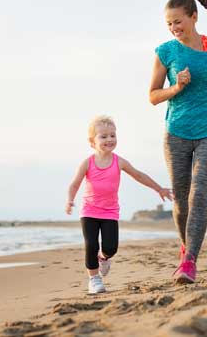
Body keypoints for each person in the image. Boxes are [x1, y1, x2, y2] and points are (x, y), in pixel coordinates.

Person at [149, 0, 207, 284]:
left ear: (194, 16)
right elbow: (152, 95)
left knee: (199, 194)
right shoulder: (166, 52)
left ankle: (189, 262)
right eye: (169, 23)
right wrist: (176, 87)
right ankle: (186, 245)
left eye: (178, 21)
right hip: (176, 133)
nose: (174, 28)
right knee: (181, 203)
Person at [65, 115, 172, 294]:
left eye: (112, 135)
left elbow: (138, 175)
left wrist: (159, 188)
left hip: (109, 212)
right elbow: (74, 183)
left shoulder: (119, 161)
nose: (109, 139)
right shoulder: (87, 163)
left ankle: (104, 258)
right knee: (91, 244)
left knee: (110, 247)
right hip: (89, 211)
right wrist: (70, 200)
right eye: (103, 136)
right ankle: (94, 279)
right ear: (92, 142)